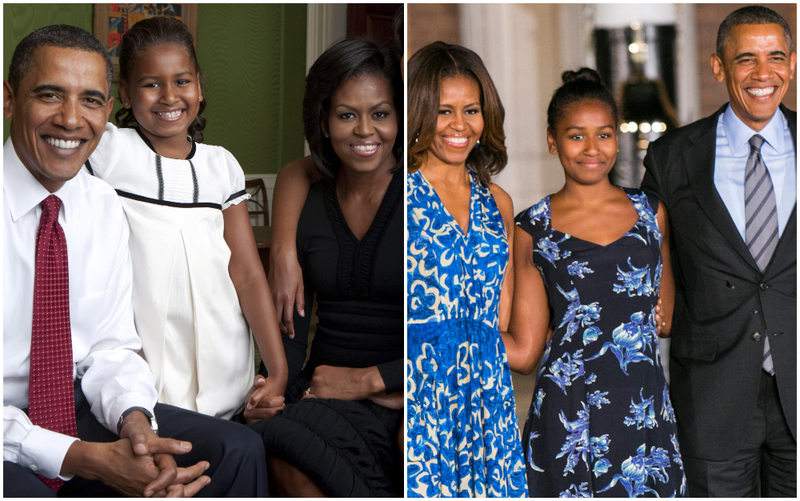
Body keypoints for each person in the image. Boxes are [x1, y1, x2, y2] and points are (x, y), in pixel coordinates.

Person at [3, 24, 266, 497]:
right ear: (8, 100)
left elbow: (110, 349)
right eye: (49, 95)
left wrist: (137, 424)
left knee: (237, 449)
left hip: (77, 403)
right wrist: (84, 458)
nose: (70, 119)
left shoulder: (100, 205)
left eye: (88, 101)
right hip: (8, 426)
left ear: (107, 109)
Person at [84, 16, 287, 420]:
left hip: (225, 356)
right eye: (151, 83)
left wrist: (277, 370)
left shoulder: (221, 165)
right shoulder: (107, 151)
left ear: (199, 86)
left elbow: (246, 272)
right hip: (145, 366)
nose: (169, 96)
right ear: (124, 93)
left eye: (182, 81)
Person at [641, 5, 796, 497]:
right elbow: (648, 265)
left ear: (792, 64)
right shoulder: (672, 157)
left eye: (776, 57)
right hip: (711, 400)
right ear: (719, 67)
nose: (762, 73)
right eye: (746, 59)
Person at [508, 68, 685, 497]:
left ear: (617, 138)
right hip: (568, 412)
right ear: (552, 140)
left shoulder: (651, 212)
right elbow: (527, 350)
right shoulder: (532, 228)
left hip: (644, 407)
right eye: (576, 136)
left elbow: (665, 320)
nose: (592, 149)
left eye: (604, 135)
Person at [246, 38, 404, 497]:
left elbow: (447, 333)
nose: (364, 131)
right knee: (270, 435)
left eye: (380, 113)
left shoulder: (422, 203)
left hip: (396, 393)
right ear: (324, 120)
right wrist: (273, 386)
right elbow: (291, 322)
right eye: (346, 114)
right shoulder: (310, 203)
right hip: (320, 391)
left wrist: (375, 382)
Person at [406, 41, 527, 498]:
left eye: (471, 110)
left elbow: (499, 318)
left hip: (487, 402)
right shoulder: (400, 192)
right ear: (418, 111)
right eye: (443, 111)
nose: (460, 125)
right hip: (419, 394)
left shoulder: (498, 204)